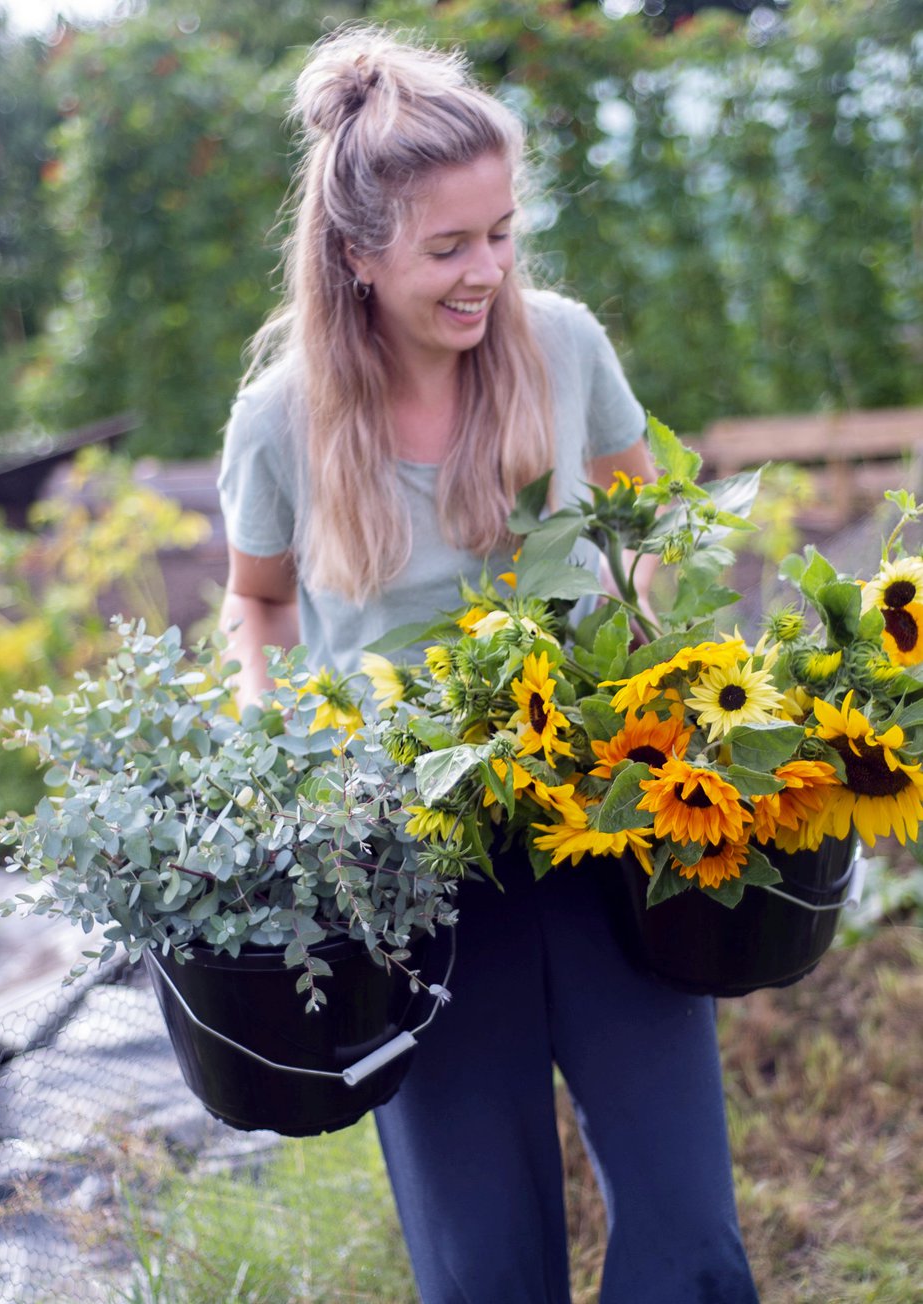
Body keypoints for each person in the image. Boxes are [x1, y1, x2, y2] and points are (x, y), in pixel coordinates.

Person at [217, 24, 759, 1304]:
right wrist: (275, 750)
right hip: (410, 864)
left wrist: (649, 644)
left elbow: (648, 520)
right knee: (484, 1264)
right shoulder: (284, 417)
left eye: (503, 232)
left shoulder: (562, 345)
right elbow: (258, 603)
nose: (488, 272)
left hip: (606, 822)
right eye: (448, 247)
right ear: (356, 255)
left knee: (688, 1232)